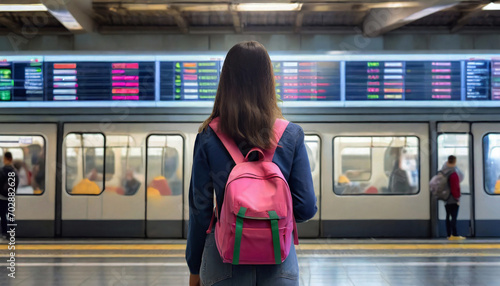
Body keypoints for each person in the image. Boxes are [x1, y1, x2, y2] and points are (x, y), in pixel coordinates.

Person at [185, 41, 317, 286]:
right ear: (269, 81)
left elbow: (200, 213)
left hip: (223, 264)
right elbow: (306, 208)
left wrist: (194, 267)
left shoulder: (208, 136)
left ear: (226, 82)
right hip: (280, 266)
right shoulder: (291, 134)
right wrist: (270, 216)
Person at [441, 155, 465, 240]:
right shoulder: (454, 173)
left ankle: (449, 234)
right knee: (454, 217)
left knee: (448, 216)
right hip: (453, 199)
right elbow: (455, 188)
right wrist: (457, 198)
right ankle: (454, 234)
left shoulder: (444, 172)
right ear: (454, 162)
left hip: (446, 198)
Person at [0, 152, 19, 239]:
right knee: (11, 215)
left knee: (3, 215)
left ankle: (4, 233)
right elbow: (16, 183)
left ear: (5, 159)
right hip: (11, 196)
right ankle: (11, 232)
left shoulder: (2, 170)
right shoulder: (14, 171)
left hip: (2, 197)